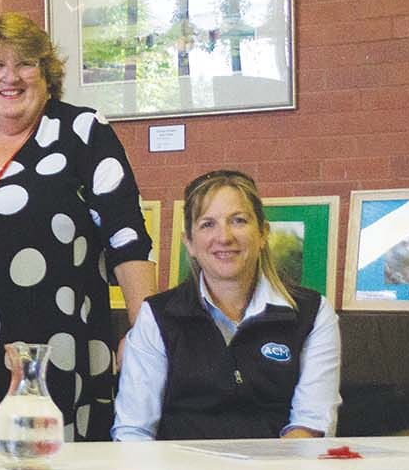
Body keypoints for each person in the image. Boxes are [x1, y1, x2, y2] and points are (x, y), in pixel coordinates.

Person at [0, 13, 156, 441]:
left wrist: (145, 335)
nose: (10, 77)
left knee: (46, 462)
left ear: (47, 75)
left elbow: (127, 238)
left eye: (26, 64)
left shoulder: (82, 131)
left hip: (55, 344)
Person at [113, 169, 340, 441]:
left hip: (280, 466)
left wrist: (269, 468)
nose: (224, 237)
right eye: (207, 224)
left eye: (238, 220)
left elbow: (310, 425)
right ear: (189, 243)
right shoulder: (156, 316)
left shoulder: (313, 313)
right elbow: (134, 431)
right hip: (179, 469)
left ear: (263, 233)